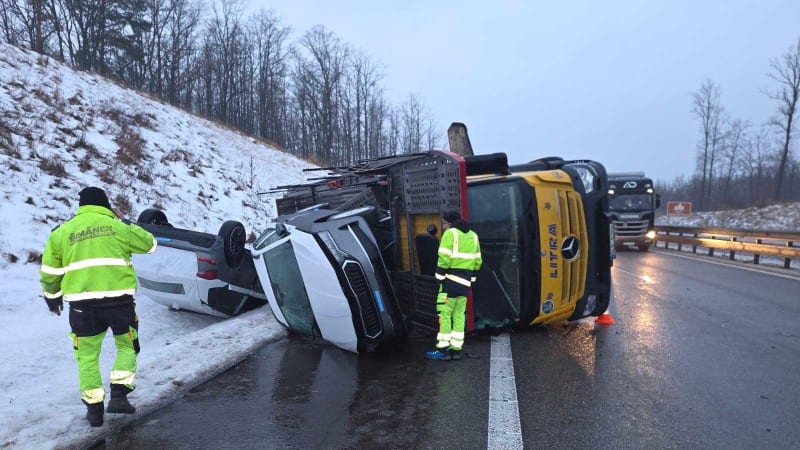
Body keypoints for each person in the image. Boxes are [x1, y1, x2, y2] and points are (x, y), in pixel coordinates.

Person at [39, 187, 157, 426]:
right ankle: (119, 395)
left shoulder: (61, 232)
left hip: (82, 308)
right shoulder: (118, 227)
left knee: (87, 357)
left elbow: (50, 272)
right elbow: (149, 244)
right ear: (106, 205)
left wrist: (52, 297)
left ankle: (94, 411)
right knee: (127, 346)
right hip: (119, 304)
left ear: (81, 206)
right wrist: (123, 220)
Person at [425, 211, 482, 361]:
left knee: (444, 316)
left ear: (450, 223)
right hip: (464, 284)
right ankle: (456, 350)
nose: (443, 226)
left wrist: (439, 277)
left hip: (449, 283)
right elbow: (478, 262)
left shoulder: (450, 234)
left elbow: (444, 258)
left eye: (444, 223)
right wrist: (471, 279)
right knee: (459, 316)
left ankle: (442, 350)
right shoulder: (474, 236)